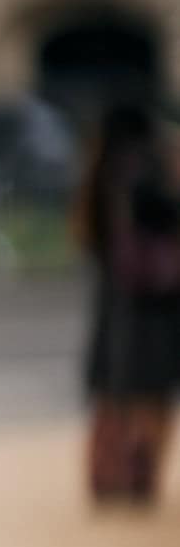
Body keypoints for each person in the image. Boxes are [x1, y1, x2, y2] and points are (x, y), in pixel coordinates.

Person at [75, 102, 180, 505]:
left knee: (114, 388)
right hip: (152, 296)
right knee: (150, 389)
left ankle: (110, 472)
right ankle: (139, 472)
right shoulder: (145, 168)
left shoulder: (100, 169)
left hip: (114, 293)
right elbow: (164, 216)